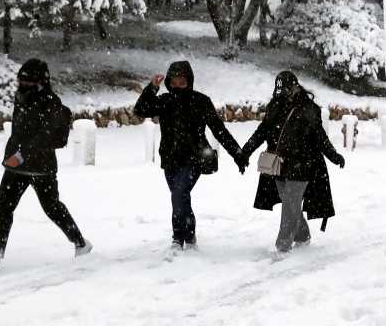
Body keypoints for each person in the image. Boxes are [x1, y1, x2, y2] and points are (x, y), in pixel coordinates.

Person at [0, 58, 90, 271]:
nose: (22, 84)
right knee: (3, 207)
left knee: (52, 207)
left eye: (27, 81)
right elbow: (20, 131)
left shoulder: (51, 102)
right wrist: (15, 155)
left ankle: (80, 242)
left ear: (40, 81)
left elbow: (44, 138)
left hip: (41, 167)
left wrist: (20, 156)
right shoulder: (20, 98)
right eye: (20, 80)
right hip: (16, 165)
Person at [134, 60, 247, 255]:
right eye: (174, 82)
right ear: (169, 83)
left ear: (189, 82)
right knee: (180, 197)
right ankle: (189, 235)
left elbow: (219, 131)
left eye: (182, 82)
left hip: (194, 158)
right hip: (170, 158)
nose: (178, 86)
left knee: (179, 193)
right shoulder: (165, 101)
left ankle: (178, 237)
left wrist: (237, 154)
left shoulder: (201, 101)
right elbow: (140, 110)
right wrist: (151, 88)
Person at [240, 71, 345, 254]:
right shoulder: (274, 106)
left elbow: (320, 138)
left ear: (295, 86)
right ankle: (302, 235)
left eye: (286, 89)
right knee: (290, 203)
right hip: (279, 164)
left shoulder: (309, 109)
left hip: (303, 164)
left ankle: (283, 245)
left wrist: (334, 156)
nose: (282, 93)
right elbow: (262, 131)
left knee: (290, 201)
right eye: (279, 89)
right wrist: (245, 152)